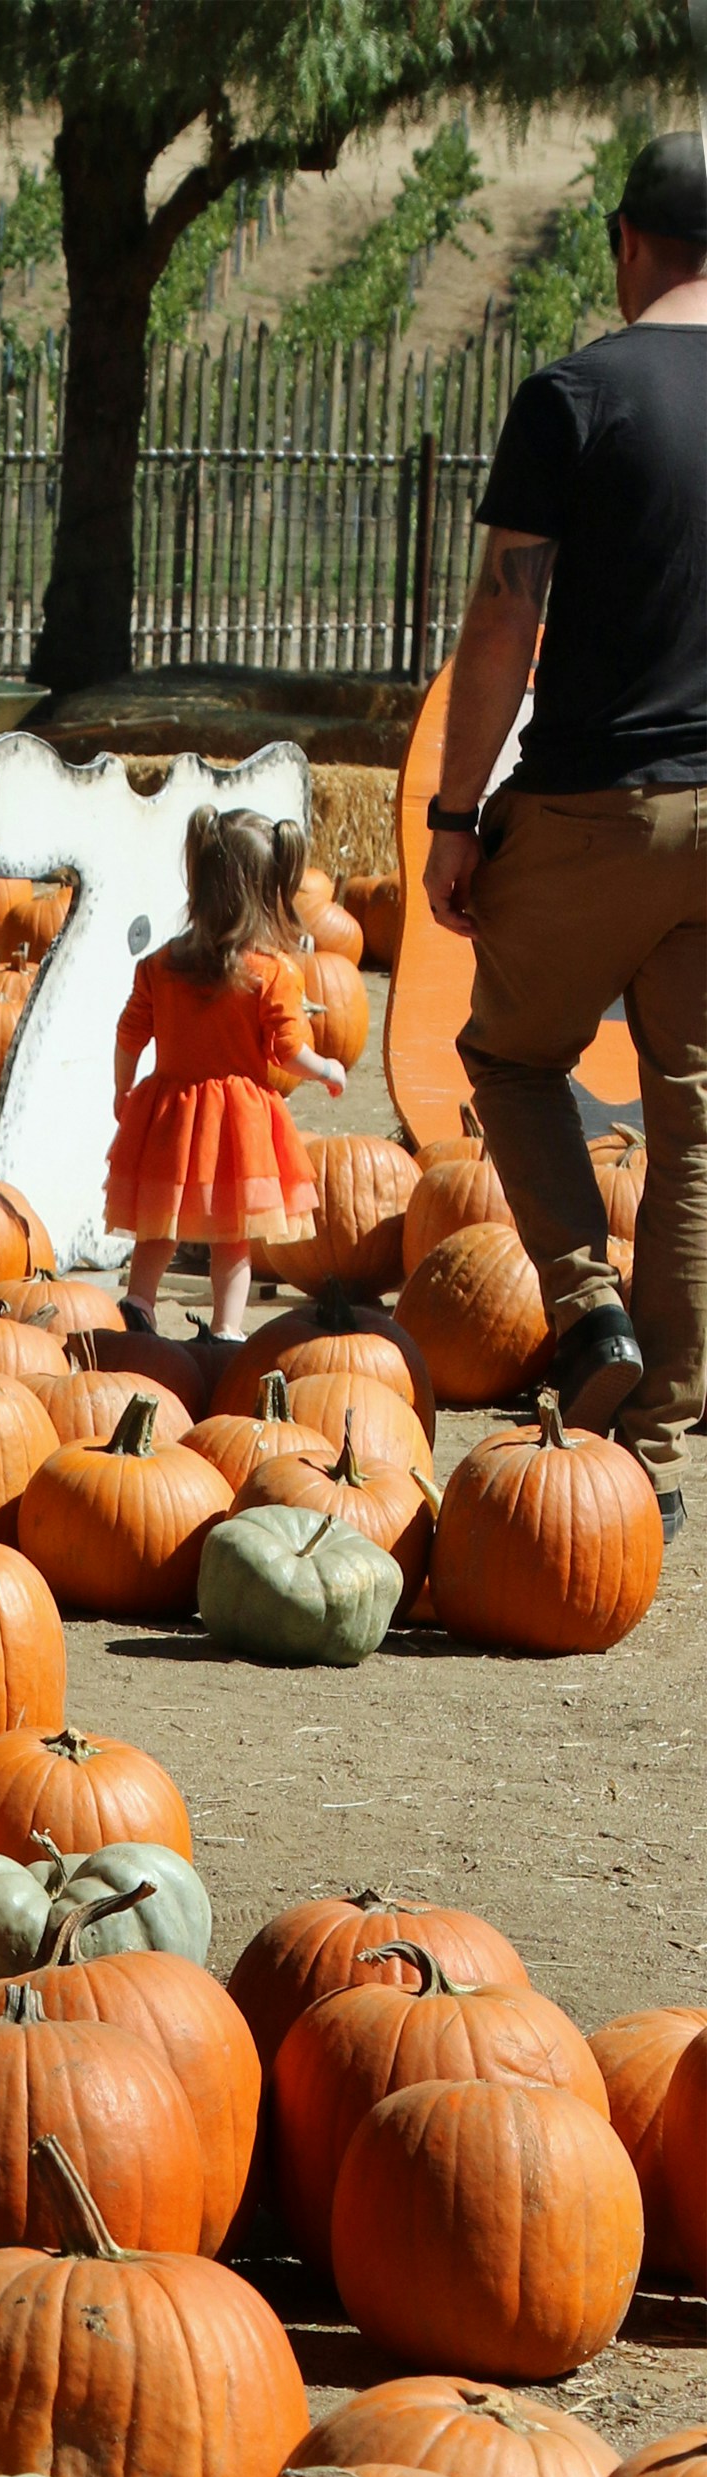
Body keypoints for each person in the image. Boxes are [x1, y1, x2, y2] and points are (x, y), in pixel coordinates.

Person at [424, 125, 707, 1532]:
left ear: (627, 244)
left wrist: (455, 812)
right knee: (696, 1119)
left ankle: (592, 1318)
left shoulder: (575, 395)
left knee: (509, 1053)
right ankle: (653, 1445)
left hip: (600, 799)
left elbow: (503, 620)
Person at [106, 808, 347, 1341]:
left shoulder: (159, 965)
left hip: (169, 1113)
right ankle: (226, 1329)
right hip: (237, 1125)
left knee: (159, 1220)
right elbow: (288, 1051)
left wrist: (123, 1089)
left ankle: (140, 1302)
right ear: (269, 892)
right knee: (233, 1235)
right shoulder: (273, 972)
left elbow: (129, 1034)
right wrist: (327, 1068)